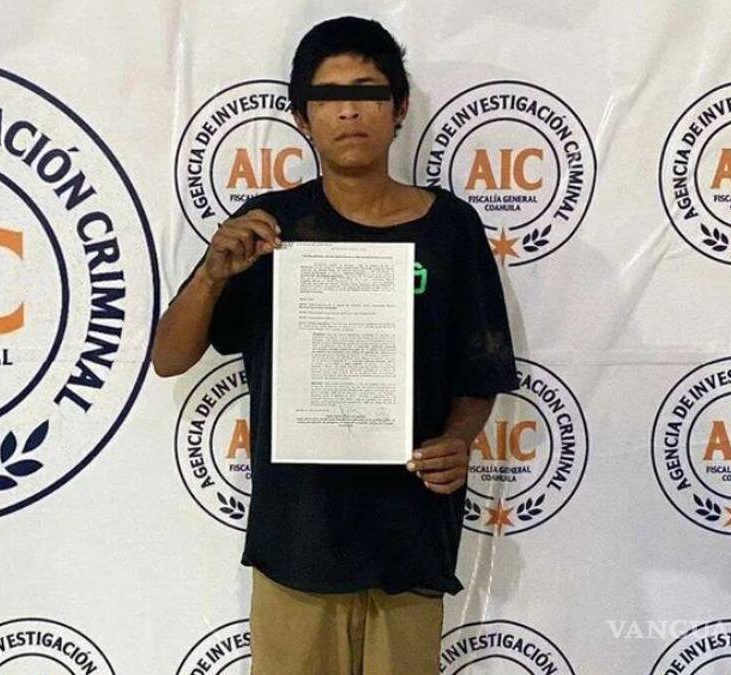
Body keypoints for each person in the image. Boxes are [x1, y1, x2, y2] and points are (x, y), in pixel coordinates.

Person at [152, 16, 519, 674]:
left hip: (410, 535)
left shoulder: (451, 228)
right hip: (298, 538)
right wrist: (211, 275)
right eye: (327, 97)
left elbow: (480, 369)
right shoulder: (268, 226)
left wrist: (459, 439)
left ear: (398, 107)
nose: (349, 111)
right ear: (302, 117)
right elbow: (169, 358)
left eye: (369, 92)